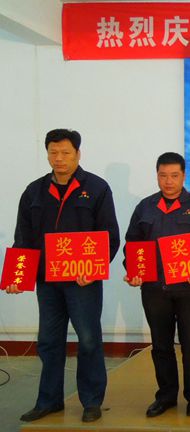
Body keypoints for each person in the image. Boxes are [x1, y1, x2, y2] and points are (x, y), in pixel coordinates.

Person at [5, 129, 120, 423]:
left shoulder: (97, 188)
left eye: (65, 153)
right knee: (48, 341)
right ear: (47, 154)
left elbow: (109, 236)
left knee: (89, 339)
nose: (59, 158)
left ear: (78, 154)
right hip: (47, 281)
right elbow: (24, 237)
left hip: (83, 282)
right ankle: (49, 400)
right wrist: (18, 275)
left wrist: (93, 270)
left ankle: (91, 401)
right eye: (53, 152)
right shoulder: (34, 191)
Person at [123, 152, 190, 418]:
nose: (168, 181)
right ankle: (165, 396)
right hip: (154, 290)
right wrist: (133, 271)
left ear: (183, 176)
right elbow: (132, 245)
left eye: (174, 176)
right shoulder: (145, 207)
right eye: (163, 175)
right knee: (161, 346)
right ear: (157, 175)